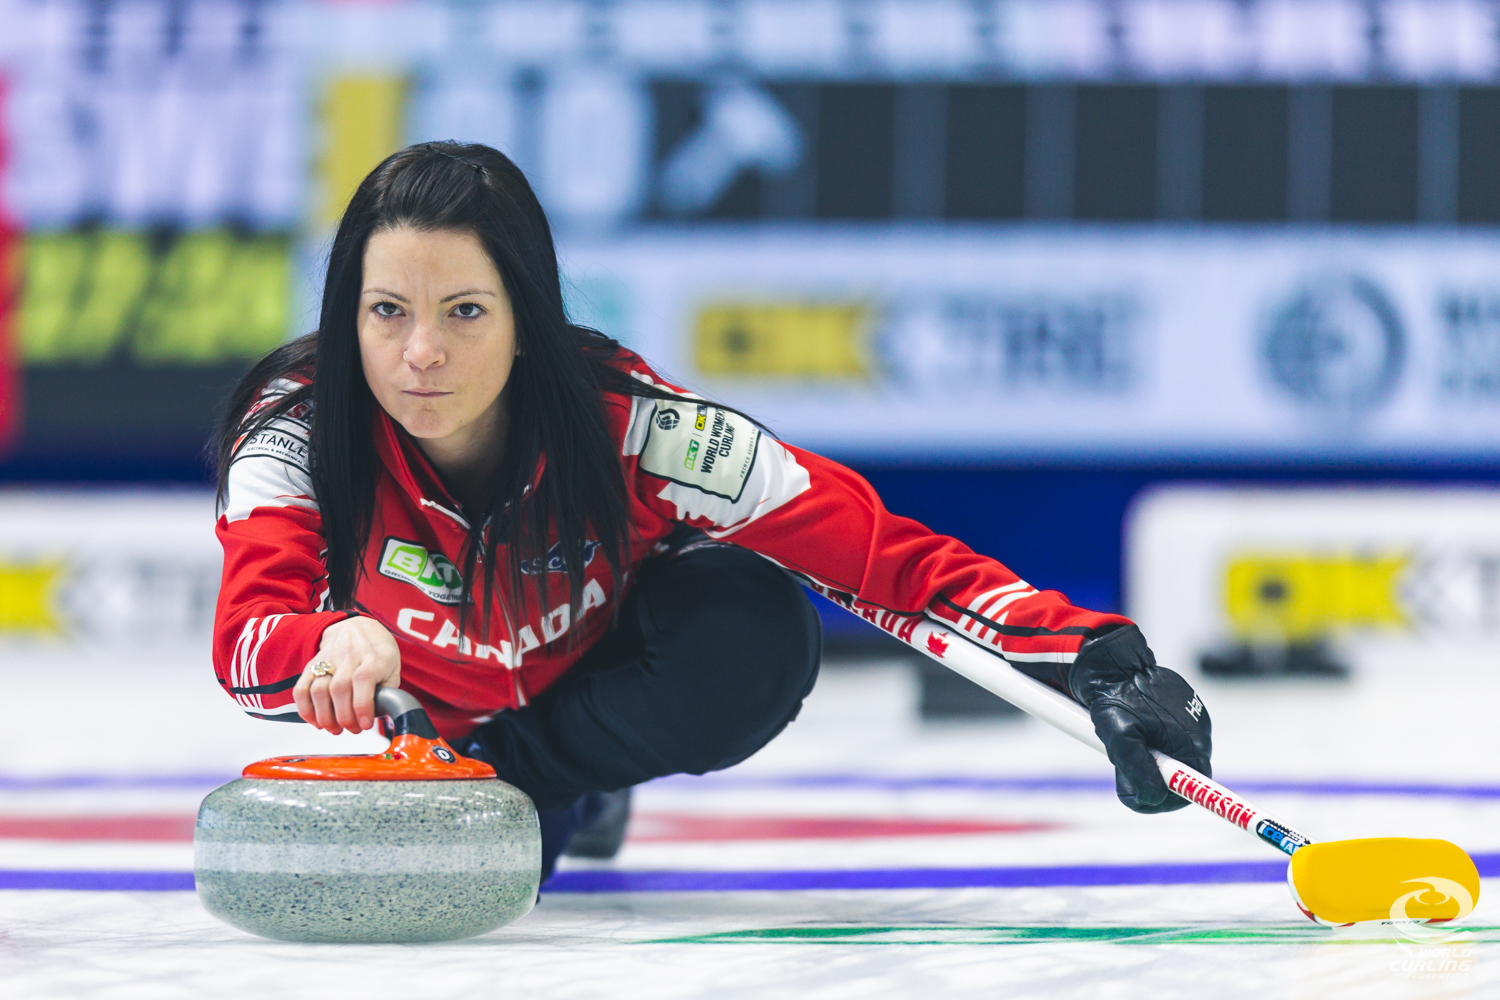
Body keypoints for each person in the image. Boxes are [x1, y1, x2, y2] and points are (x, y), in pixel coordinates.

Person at [212, 142, 1212, 879]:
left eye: (464, 311)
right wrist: (328, 641)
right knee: (506, 868)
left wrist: (1091, 654)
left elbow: (877, 556)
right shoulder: (293, 437)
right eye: (387, 311)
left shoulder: (639, 429)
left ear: (527, 321)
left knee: (757, 632)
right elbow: (246, 639)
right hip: (433, 724)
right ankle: (534, 797)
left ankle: (548, 779)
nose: (419, 353)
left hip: (582, 688)